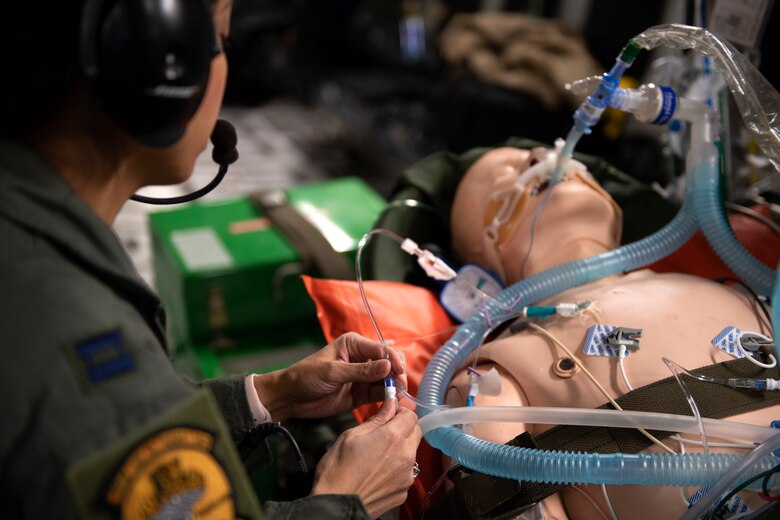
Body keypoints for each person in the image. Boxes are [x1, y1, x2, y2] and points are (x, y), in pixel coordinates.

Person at [0, 1, 421, 519]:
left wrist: (268, 396)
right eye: (219, 39)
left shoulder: (30, 223)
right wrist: (346, 501)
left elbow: (125, 428)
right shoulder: (71, 329)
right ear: (161, 64)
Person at [443, 146, 778, 519]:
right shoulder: (492, 376)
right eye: (502, 174)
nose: (542, 154)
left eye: (548, 147)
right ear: (479, 258)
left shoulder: (734, 284)